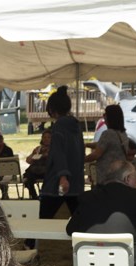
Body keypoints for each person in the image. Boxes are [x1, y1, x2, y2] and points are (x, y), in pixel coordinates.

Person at [40, 85, 85, 219]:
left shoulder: (59, 126)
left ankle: (32, 240)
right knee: (79, 220)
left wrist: (62, 176)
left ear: (52, 109)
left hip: (58, 180)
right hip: (76, 179)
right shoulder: (76, 125)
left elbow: (58, 153)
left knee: (43, 219)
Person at [84, 104, 130, 184]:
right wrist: (87, 144)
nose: (103, 116)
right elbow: (103, 144)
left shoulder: (108, 134)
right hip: (120, 173)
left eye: (105, 114)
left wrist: (82, 160)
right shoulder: (123, 133)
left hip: (107, 175)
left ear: (111, 117)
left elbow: (96, 154)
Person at [23, 130, 50, 199]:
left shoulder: (54, 149)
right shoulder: (38, 149)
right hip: (36, 171)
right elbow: (28, 160)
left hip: (47, 171)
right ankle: (34, 196)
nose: (46, 139)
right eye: (44, 137)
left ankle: (43, 195)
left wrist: (41, 156)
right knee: (28, 176)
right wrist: (33, 155)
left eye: (48, 137)